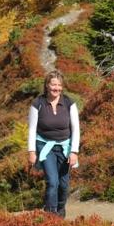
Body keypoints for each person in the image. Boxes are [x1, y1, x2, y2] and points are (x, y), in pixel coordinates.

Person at [27, 71, 80, 217]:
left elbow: (76, 128)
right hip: (45, 146)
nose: (56, 88)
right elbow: (32, 129)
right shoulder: (38, 103)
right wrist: (32, 151)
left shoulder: (69, 103)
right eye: (53, 84)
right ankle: (50, 215)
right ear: (47, 85)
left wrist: (74, 151)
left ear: (62, 87)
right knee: (52, 182)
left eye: (59, 85)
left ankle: (60, 209)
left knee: (64, 184)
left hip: (65, 147)